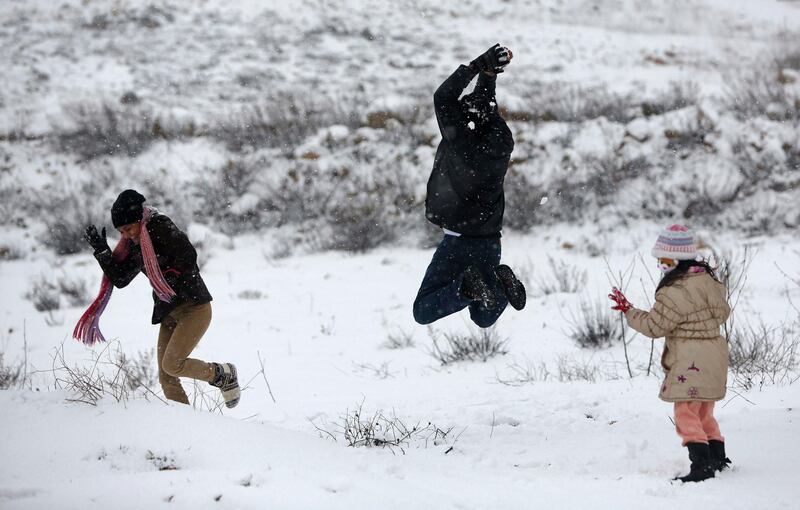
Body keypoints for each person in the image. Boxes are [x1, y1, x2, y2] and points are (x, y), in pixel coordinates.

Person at [74, 189, 240, 408]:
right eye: (121, 231)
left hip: (194, 309)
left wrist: (171, 272)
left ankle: (222, 374)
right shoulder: (135, 246)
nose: (125, 235)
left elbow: (188, 255)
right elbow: (121, 279)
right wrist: (103, 251)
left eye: (128, 228)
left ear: (138, 219)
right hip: (169, 313)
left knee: (172, 364)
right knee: (166, 377)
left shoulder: (160, 227)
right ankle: (186, 426)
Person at [413, 43, 527, 328]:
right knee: (482, 316)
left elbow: (443, 97)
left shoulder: (460, 142)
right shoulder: (499, 142)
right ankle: (500, 284)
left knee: (423, 310)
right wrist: (489, 74)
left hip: (458, 241)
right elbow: (485, 105)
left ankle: (466, 287)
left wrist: (476, 66)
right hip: (489, 241)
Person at [608, 224, 732, 482]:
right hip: (714, 356)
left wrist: (629, 311)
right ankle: (717, 458)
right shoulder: (709, 281)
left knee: (685, 413)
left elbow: (655, 326)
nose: (661, 266)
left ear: (677, 260)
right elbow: (722, 312)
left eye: (664, 260)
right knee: (703, 412)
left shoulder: (674, 291)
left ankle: (701, 467)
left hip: (690, 360)